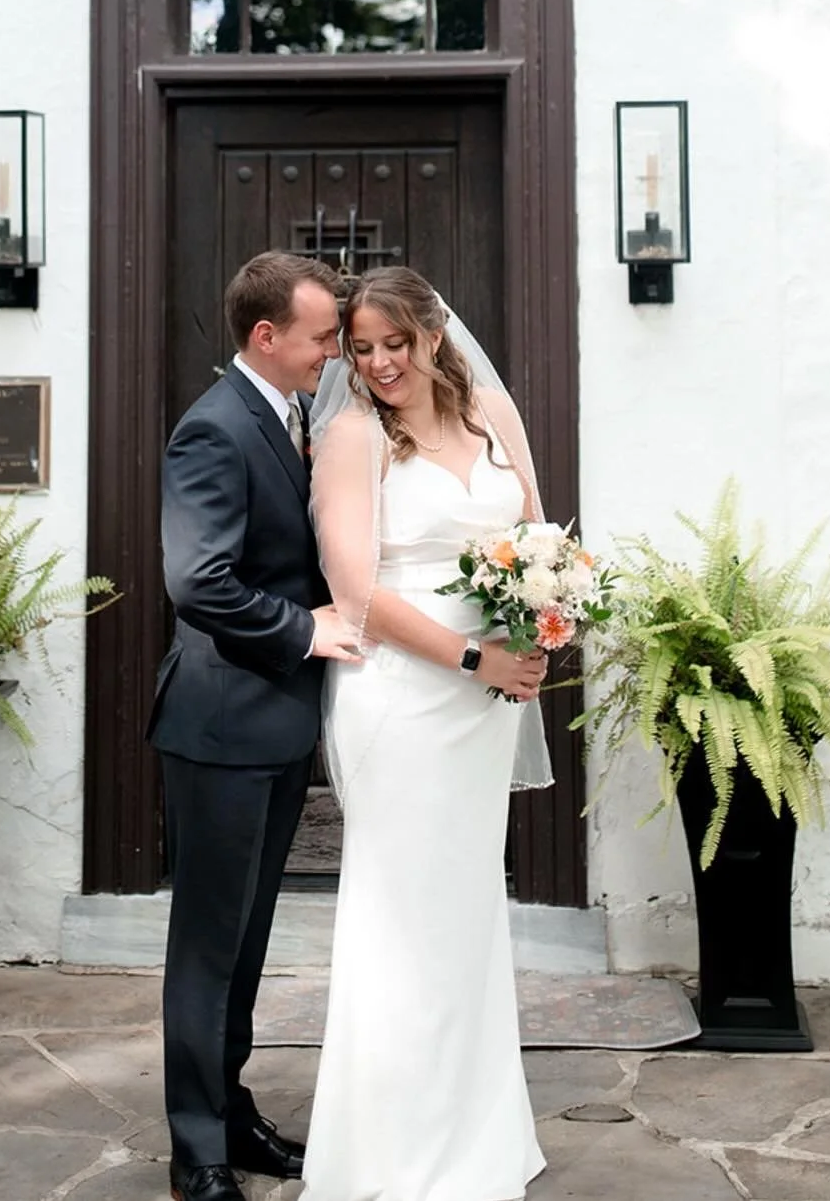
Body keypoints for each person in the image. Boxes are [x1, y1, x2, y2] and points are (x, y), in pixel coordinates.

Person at [301, 266, 552, 1201]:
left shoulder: (492, 412)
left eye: (392, 343)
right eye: (359, 349)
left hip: (481, 708)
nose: (377, 363)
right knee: (400, 921)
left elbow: (537, 536)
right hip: (404, 699)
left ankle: (478, 1135)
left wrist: (538, 624)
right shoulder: (354, 434)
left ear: (432, 334)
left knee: (466, 916)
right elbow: (357, 591)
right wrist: (471, 658)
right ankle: (389, 1157)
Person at [150, 251, 364, 1201]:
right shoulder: (213, 428)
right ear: (266, 336)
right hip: (221, 726)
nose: (335, 352)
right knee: (207, 944)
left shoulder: (288, 415)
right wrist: (303, 627)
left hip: (271, 726)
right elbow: (198, 581)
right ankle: (195, 1147)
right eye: (322, 336)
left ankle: (229, 1113)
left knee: (246, 940)